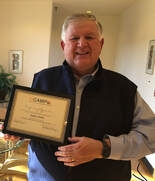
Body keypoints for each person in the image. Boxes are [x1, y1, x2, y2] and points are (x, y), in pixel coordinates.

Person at [5, 13, 155, 181]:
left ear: (101, 44)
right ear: (63, 45)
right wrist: (19, 130)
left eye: (89, 37)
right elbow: (36, 123)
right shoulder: (42, 79)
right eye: (74, 38)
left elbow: (151, 136)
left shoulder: (124, 88)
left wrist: (102, 148)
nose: (82, 43)